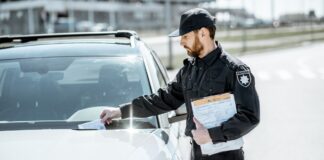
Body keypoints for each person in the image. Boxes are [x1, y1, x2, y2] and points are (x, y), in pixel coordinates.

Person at [100, 8, 260, 160]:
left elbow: (249, 116)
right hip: (196, 154)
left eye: (185, 37)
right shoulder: (188, 71)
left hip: (226, 157)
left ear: (203, 33)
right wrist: (120, 111)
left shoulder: (235, 70)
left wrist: (212, 134)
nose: (181, 42)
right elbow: (160, 100)